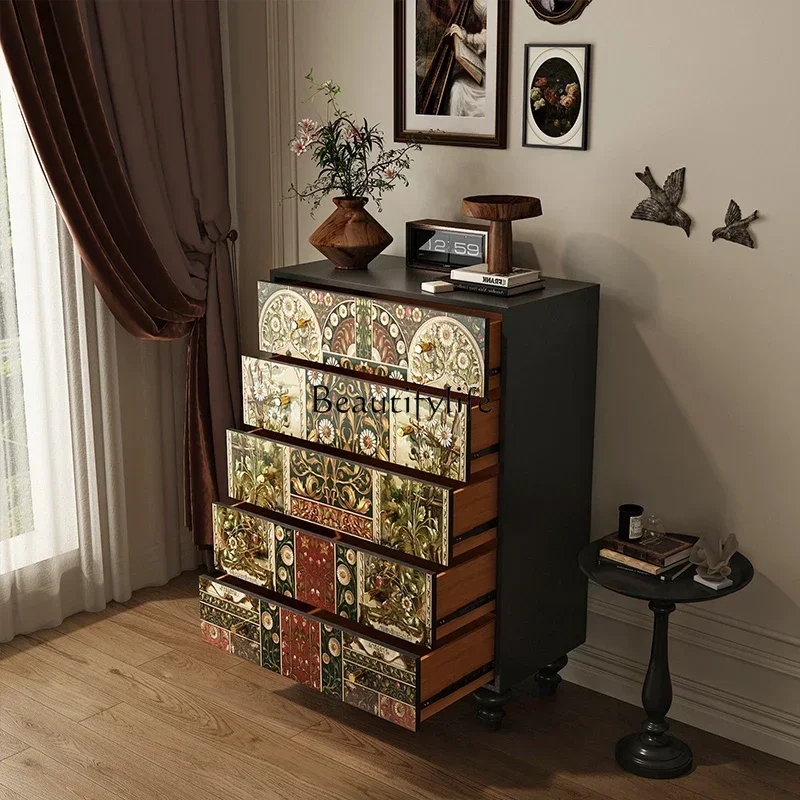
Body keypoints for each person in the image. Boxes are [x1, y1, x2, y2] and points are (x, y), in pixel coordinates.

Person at [444, 0, 487, 118]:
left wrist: (464, 36)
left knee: (459, 87)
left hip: (493, 70)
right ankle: (453, 130)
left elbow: (491, 37)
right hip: (483, 63)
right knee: (457, 86)